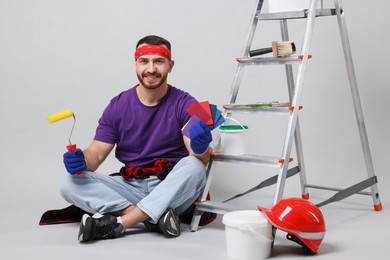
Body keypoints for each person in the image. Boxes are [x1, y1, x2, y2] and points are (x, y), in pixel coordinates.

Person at [60, 35, 213, 242]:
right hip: (131, 186)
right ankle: (153, 216)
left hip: (171, 186)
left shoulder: (187, 103)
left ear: (170, 65)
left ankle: (121, 224)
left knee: (194, 166)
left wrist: (201, 147)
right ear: (136, 65)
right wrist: (82, 159)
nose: (151, 69)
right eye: (144, 61)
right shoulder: (117, 105)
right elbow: (95, 154)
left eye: (158, 61)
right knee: (69, 182)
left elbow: (199, 157)